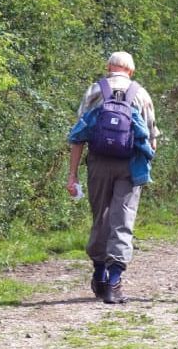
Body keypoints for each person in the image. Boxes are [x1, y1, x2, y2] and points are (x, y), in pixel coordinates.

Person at [67, 52, 159, 304]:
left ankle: (99, 275)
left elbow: (78, 135)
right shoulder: (140, 94)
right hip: (130, 165)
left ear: (109, 68)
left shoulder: (96, 90)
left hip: (98, 163)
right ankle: (114, 281)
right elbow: (152, 138)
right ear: (131, 70)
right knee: (123, 219)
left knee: (101, 218)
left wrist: (72, 175)